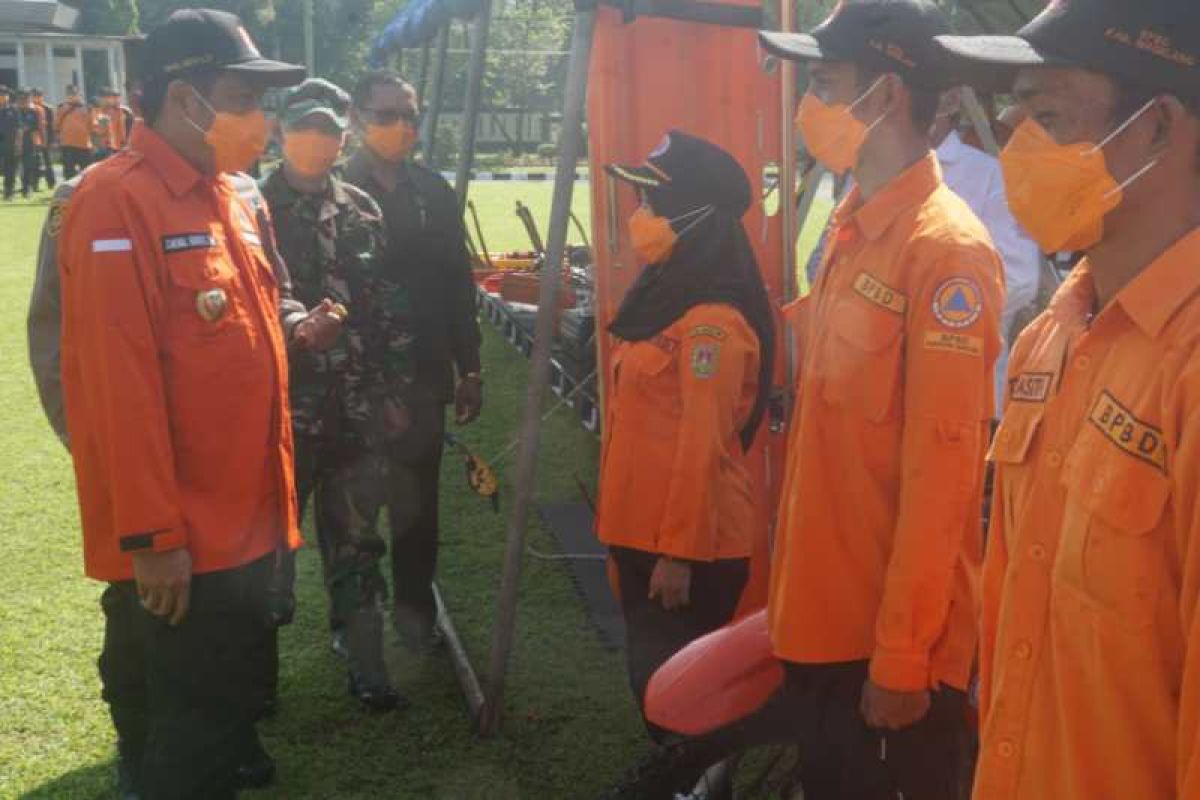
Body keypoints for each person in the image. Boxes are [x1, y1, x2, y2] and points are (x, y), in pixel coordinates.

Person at [606, 2, 1004, 797]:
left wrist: (900, 657)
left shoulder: (945, 252)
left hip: (881, 648)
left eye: (824, 83)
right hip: (817, 620)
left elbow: (943, 482)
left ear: (885, 97)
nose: (806, 105)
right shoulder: (852, 229)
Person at [937, 2, 1200, 797]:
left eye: (1046, 116)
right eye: (1014, 117)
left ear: (1159, 127)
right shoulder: (1050, 338)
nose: (1018, 147)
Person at [53, 8, 311, 798]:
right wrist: (154, 535)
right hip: (185, 538)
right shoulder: (113, 201)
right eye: (243, 97)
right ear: (182, 98)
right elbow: (116, 390)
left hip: (247, 521)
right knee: (186, 737)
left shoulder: (231, 195)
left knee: (223, 709)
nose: (261, 120)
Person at [597, 131, 776, 731]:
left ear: (692, 216)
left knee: (679, 707)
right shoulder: (665, 294)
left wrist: (679, 553)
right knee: (658, 694)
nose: (640, 217)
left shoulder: (712, 324)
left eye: (652, 204)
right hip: (641, 529)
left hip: (685, 549)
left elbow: (701, 445)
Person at [260, 77, 415, 711]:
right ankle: (253, 684)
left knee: (357, 542)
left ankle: (366, 665)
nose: (315, 141)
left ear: (341, 138)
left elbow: (387, 308)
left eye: (327, 131)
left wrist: (395, 389)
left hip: (354, 410)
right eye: (304, 128)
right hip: (279, 416)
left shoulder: (362, 211)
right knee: (266, 553)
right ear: (281, 133)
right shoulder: (248, 208)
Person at [343, 70, 483, 651]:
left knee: (418, 507)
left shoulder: (434, 192)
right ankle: (353, 625)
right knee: (351, 509)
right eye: (385, 115)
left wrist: (469, 365)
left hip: (424, 376)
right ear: (355, 120)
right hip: (352, 381)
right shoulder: (328, 193)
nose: (401, 127)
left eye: (410, 114)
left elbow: (458, 283)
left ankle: (414, 614)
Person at [929, 87, 1041, 407]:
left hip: (970, 384)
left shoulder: (989, 174)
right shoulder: (872, 170)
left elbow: (1018, 279)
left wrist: (930, 316)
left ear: (948, 101)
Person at [4, 90, 38, 198]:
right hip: (12, 144)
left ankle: (26, 189)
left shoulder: (33, 112)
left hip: (28, 144)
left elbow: (34, 128)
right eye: (22, 99)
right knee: (10, 168)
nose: (24, 101)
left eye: (27, 99)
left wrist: (36, 144)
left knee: (28, 168)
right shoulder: (10, 111)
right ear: (18, 99)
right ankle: (9, 191)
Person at [56, 85, 95, 179]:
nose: (71, 96)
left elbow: (92, 126)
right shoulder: (61, 108)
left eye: (74, 94)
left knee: (87, 172)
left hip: (84, 145)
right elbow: (56, 126)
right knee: (69, 173)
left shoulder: (87, 108)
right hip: (67, 145)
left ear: (78, 94)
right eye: (69, 94)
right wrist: (57, 141)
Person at [30, 88, 56, 190]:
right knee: (35, 162)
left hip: (46, 139)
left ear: (42, 96)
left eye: (39, 96)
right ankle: (35, 184)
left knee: (48, 162)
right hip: (34, 140)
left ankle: (51, 183)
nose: (37, 98)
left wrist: (52, 140)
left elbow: (52, 126)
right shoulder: (30, 108)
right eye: (35, 96)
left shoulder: (48, 109)